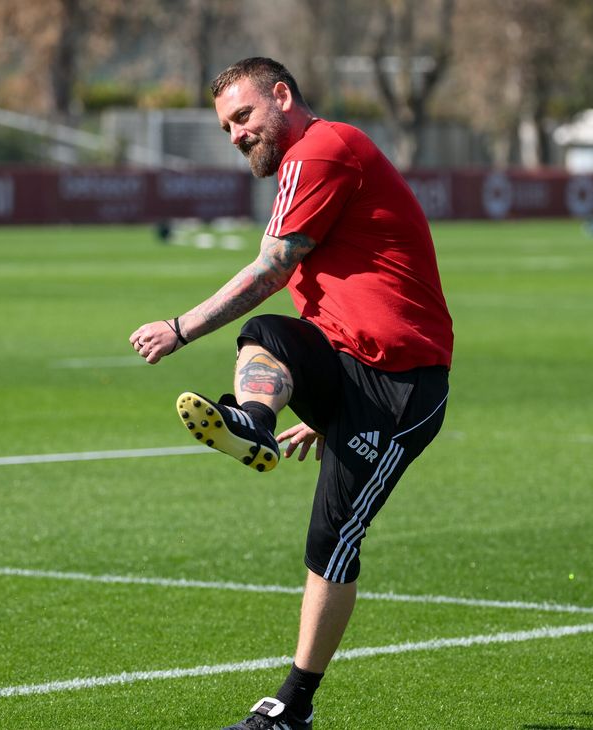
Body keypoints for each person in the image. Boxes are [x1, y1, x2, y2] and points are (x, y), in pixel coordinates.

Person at [129, 57, 453, 730]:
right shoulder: (303, 164)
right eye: (226, 127)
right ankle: (252, 420)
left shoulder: (324, 148)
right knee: (269, 334)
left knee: (331, 542)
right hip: (349, 366)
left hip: (399, 386)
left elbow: (275, 264)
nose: (236, 135)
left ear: (283, 96)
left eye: (243, 116)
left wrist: (180, 328)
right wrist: (312, 402)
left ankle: (292, 706)